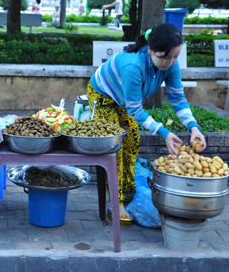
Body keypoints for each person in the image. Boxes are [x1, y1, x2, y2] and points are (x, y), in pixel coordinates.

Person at [87, 23, 207, 222]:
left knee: (132, 141)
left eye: (175, 56)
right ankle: (115, 204)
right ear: (150, 49)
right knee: (114, 147)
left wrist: (193, 127)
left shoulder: (170, 64)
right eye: (164, 57)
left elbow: (177, 98)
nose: (169, 62)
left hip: (126, 100)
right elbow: (134, 109)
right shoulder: (133, 67)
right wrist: (163, 132)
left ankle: (127, 193)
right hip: (104, 96)